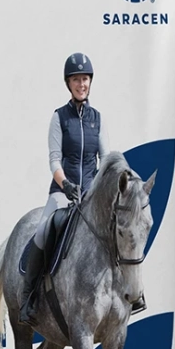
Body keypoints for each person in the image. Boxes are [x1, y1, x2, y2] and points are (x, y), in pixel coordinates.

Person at [19, 53, 110, 325]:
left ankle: (129, 293)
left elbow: (105, 160)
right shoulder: (59, 117)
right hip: (63, 191)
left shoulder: (98, 119)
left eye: (85, 79)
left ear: (90, 82)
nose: (81, 84)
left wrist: (99, 190)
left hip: (91, 194)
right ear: (68, 84)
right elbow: (54, 160)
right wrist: (66, 184)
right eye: (76, 79)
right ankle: (29, 296)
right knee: (43, 230)